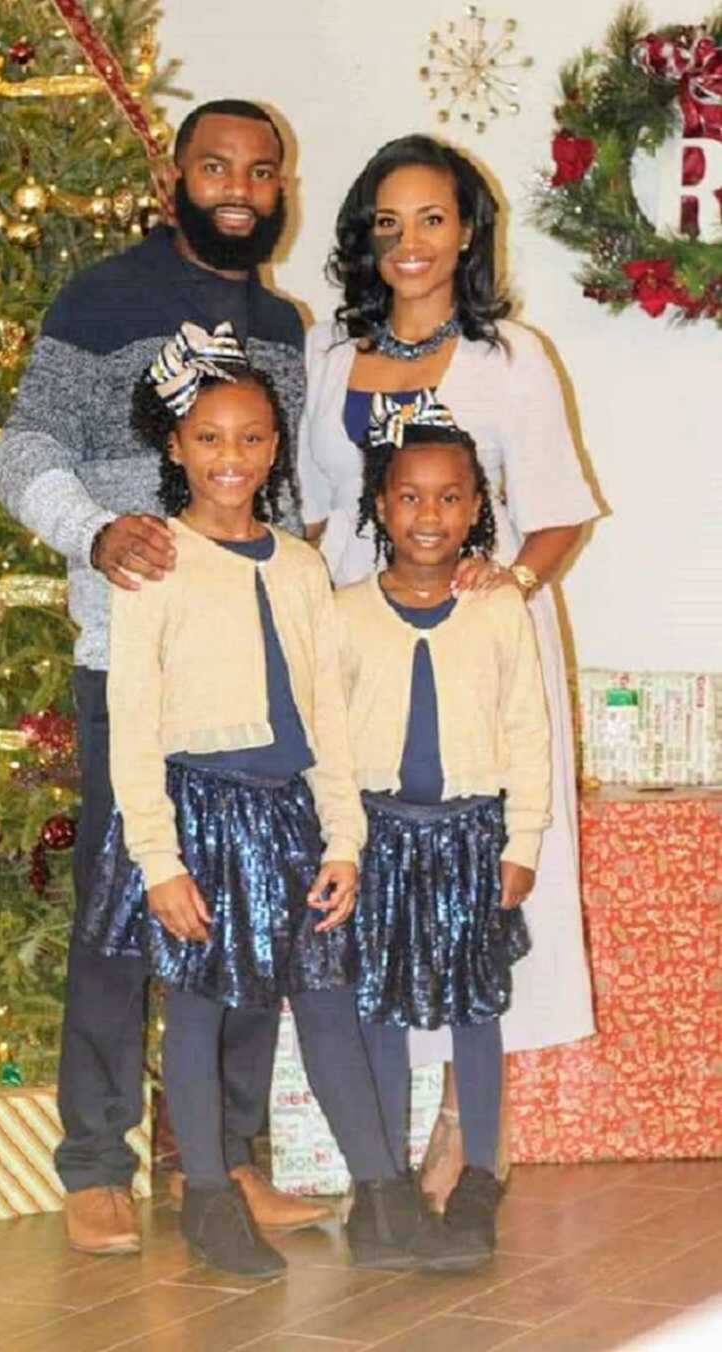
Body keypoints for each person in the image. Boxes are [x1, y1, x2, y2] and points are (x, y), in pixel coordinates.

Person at [0, 99, 327, 1257]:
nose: (239, 185)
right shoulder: (102, 299)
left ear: (280, 188)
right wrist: (93, 531)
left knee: (248, 921)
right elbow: (21, 444)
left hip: (259, 688)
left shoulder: (281, 323)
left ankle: (225, 1161)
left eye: (260, 170)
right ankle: (96, 1160)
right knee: (123, 913)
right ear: (177, 174)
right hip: (130, 663)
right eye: (215, 165)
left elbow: (285, 498)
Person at [78, 320, 442, 1277]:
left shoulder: (299, 565)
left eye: (249, 439)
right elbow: (135, 721)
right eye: (208, 439)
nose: (229, 457)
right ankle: (207, 1194)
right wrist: (159, 861)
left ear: (275, 447)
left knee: (325, 1000)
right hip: (197, 814)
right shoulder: (153, 564)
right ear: (176, 447)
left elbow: (327, 710)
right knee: (195, 1006)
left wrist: (345, 838)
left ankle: (383, 1195)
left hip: (289, 817)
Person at [297, 133, 600, 1202]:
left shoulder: (509, 357)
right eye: (388, 222)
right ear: (365, 240)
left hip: (477, 652)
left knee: (482, 884)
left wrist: (505, 590)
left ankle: (471, 1128)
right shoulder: (334, 361)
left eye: (432, 218)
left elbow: (557, 515)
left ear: (467, 231)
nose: (410, 242)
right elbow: (321, 515)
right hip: (361, 652)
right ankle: (384, 1126)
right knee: (368, 867)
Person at [336, 392, 551, 1267]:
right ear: (381, 507)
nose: (430, 515)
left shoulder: (499, 608)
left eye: (450, 496)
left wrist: (522, 843)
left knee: (476, 1008)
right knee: (376, 1008)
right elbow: (325, 738)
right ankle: (380, 1187)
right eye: (411, 496)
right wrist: (339, 843)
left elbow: (529, 731)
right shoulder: (344, 612)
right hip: (379, 837)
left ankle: (475, 1184)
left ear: (476, 505)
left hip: (471, 839)